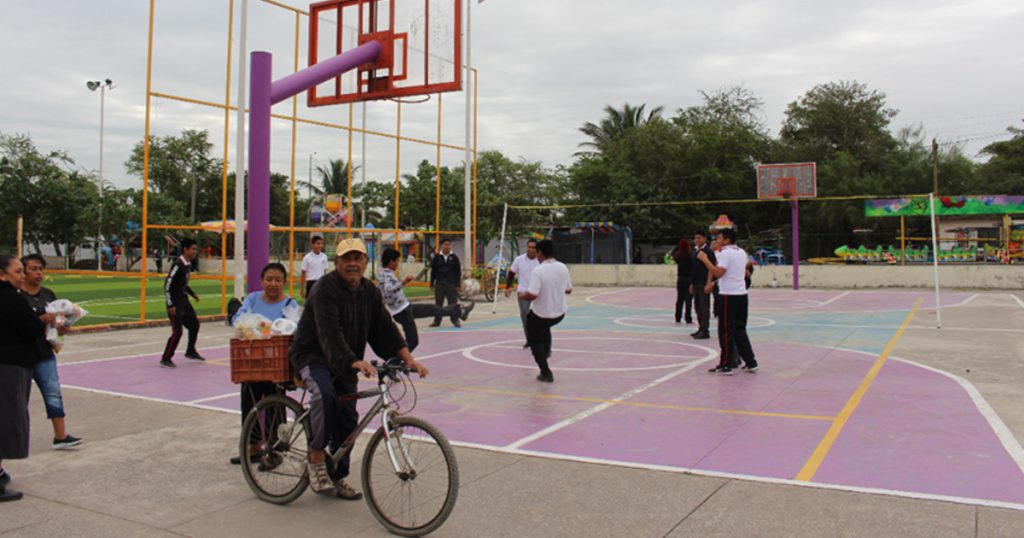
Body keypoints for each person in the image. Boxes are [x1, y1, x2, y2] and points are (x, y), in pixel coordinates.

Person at [289, 238, 429, 499]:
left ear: (366, 262)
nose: (352, 264)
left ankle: (337, 476)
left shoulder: (369, 291)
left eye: (358, 258)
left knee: (348, 418)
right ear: (337, 262)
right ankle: (317, 456)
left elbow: (385, 328)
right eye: (346, 258)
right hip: (313, 356)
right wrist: (351, 360)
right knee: (324, 396)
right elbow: (329, 333)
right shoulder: (324, 289)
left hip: (345, 360)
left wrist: (408, 359)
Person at [0, 255, 57, 502]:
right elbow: (30, 328)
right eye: (17, 271)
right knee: (7, 420)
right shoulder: (10, 298)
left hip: (10, 364)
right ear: (2, 275)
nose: (22, 276)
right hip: (10, 366)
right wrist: (42, 321)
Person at [230, 262, 297, 465]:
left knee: (275, 405)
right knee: (249, 402)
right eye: (269, 279)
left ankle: (275, 450)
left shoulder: (289, 304)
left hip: (276, 363)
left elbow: (294, 326)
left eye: (278, 279)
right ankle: (252, 447)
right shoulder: (253, 298)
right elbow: (240, 318)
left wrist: (271, 330)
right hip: (252, 362)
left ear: (284, 282)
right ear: (262, 281)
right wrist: (255, 327)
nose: (273, 283)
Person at [20, 254, 83, 450]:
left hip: (44, 352)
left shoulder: (48, 294)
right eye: (33, 269)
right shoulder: (16, 297)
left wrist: (62, 326)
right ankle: (17, 437)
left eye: (40, 269)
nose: (38, 273)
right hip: (21, 355)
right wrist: (40, 320)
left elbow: (57, 321)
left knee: (53, 392)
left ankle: (61, 435)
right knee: (19, 399)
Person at [378, 247, 473, 352]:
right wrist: (403, 282)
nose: (398, 264)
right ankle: (396, 358)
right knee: (413, 341)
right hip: (402, 311)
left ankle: (460, 311)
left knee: (434, 309)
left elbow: (381, 292)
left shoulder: (382, 273)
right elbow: (388, 290)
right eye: (397, 261)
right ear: (391, 261)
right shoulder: (387, 275)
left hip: (405, 308)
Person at [697, 228, 759, 375]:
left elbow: (719, 272)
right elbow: (742, 272)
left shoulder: (726, 253)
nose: (716, 241)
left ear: (726, 240)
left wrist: (704, 259)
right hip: (741, 294)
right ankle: (751, 361)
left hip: (728, 295)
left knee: (725, 330)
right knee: (739, 329)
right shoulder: (741, 252)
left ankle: (726, 364)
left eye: (719, 238)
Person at [518, 239, 572, 383]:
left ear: (540, 253)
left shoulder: (539, 270)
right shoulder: (563, 267)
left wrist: (521, 294)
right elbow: (568, 290)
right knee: (544, 326)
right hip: (559, 313)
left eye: (536, 252)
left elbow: (532, 294)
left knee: (533, 338)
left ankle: (545, 372)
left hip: (542, 314)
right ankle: (546, 350)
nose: (535, 255)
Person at [160, 237, 203, 368]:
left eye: (196, 249)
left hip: (184, 301)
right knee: (177, 332)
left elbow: (183, 284)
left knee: (194, 325)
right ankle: (166, 358)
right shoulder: (178, 264)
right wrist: (170, 304)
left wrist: (192, 293)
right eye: (193, 249)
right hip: (175, 303)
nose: (195, 252)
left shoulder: (187, 264)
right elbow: (167, 284)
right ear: (185, 250)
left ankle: (190, 351)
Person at [504, 238, 540, 348]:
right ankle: (529, 339)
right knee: (525, 314)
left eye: (533, 247)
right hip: (523, 291)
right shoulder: (519, 260)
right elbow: (511, 273)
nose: (531, 249)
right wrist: (508, 287)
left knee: (541, 315)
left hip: (538, 292)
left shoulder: (541, 260)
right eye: (529, 247)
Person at [429, 238, 462, 327]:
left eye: (449, 245)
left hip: (451, 284)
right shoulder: (437, 257)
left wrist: (457, 284)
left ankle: (455, 320)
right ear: (441, 246)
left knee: (453, 303)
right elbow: (433, 271)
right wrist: (431, 283)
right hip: (440, 283)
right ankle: (437, 321)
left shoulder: (454, 257)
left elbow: (458, 272)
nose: (447, 246)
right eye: (445, 244)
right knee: (438, 303)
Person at [690, 231, 715, 340]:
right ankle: (701, 328)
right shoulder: (695, 251)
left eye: (699, 238)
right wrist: (691, 283)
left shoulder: (708, 251)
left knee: (704, 307)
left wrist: (708, 283)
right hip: (696, 283)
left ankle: (705, 330)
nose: (697, 240)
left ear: (705, 239)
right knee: (697, 307)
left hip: (703, 282)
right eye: (695, 238)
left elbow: (711, 268)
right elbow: (693, 268)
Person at [300, 235, 331, 301]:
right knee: (310, 302)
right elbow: (303, 273)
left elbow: (326, 271)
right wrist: (302, 289)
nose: (319, 246)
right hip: (311, 283)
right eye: (318, 243)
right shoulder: (307, 257)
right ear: (312, 244)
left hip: (321, 282)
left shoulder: (324, 257)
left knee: (321, 302)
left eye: (321, 244)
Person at [671, 239, 693, 324]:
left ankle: (678, 317)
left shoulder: (678, 255)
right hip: (689, 278)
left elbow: (673, 254)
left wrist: (677, 248)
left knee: (679, 299)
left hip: (681, 278)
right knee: (688, 300)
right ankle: (688, 318)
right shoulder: (691, 255)